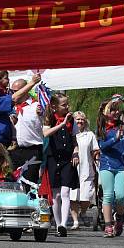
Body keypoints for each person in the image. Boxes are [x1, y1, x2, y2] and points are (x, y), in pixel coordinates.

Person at [42, 92, 80, 237]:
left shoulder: (71, 119)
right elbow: (45, 134)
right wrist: (62, 124)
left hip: (67, 158)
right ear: (54, 106)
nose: (67, 107)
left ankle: (64, 224)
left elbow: (74, 139)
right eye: (64, 105)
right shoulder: (50, 118)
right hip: (53, 158)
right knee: (56, 195)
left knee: (65, 192)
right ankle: (58, 224)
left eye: (67, 104)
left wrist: (75, 151)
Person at [96, 97, 124, 238]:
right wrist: (114, 139)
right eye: (113, 109)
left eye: (118, 109)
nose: (117, 112)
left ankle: (119, 217)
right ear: (106, 112)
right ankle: (107, 225)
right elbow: (102, 147)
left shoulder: (122, 126)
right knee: (108, 195)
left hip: (121, 165)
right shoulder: (101, 126)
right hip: (106, 164)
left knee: (121, 196)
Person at [0, 71, 40, 147]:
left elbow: (11, 109)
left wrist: (13, 115)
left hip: (3, 143)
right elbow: (14, 98)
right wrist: (32, 83)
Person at [10, 77, 45, 184]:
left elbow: (47, 122)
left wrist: (42, 113)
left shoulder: (37, 106)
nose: (13, 94)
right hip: (13, 150)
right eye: (12, 91)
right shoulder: (9, 107)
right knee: (12, 183)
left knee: (29, 183)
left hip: (32, 150)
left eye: (16, 91)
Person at [69, 112, 99, 230]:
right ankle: (75, 221)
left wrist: (97, 158)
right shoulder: (70, 134)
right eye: (77, 119)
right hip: (72, 169)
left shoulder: (90, 134)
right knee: (73, 196)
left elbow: (95, 149)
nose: (80, 121)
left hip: (86, 169)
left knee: (86, 196)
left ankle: (84, 212)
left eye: (82, 119)